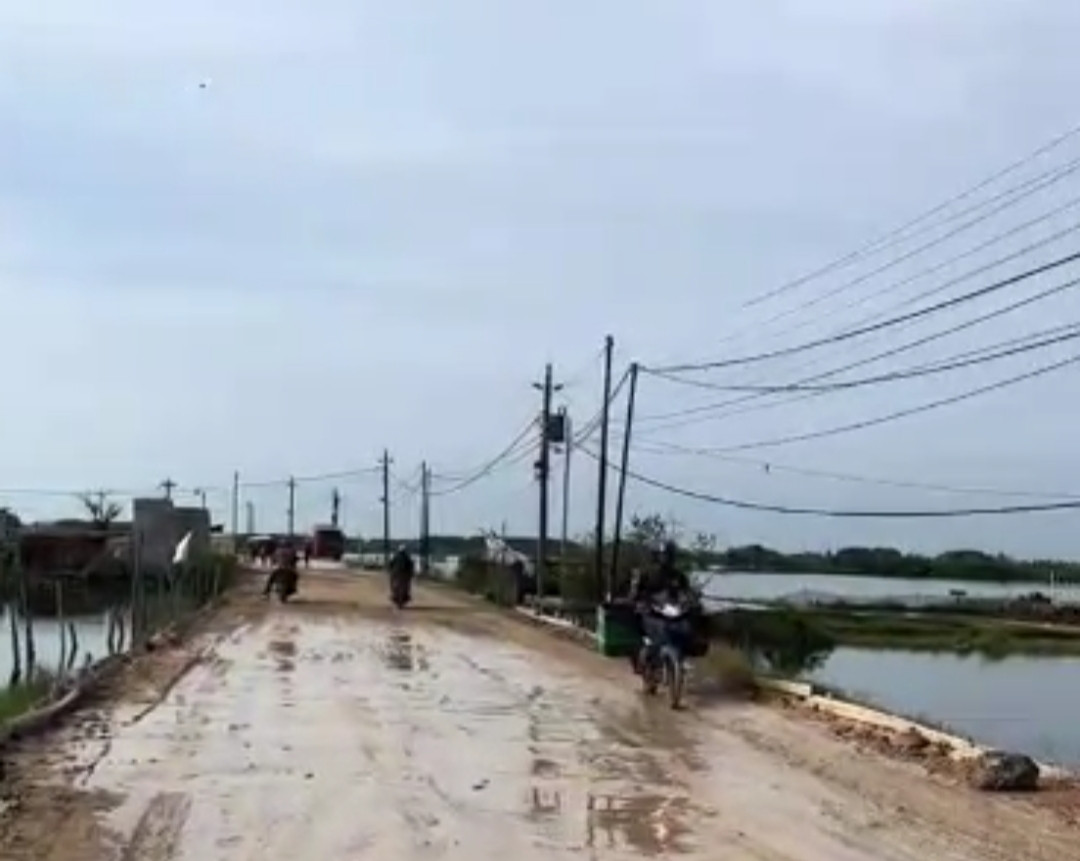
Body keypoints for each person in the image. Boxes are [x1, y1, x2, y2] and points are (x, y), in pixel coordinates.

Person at [630, 540, 692, 672]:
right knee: (649, 631)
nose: (667, 558)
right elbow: (636, 593)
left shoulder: (679, 576)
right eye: (665, 555)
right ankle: (647, 659)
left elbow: (686, 593)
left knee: (687, 628)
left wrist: (688, 601)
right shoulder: (647, 574)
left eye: (670, 555)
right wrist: (640, 599)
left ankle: (681, 658)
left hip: (672, 612)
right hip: (652, 612)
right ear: (658, 556)